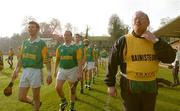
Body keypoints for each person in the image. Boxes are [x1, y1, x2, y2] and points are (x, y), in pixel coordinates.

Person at [104, 11, 176, 111]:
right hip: (129, 86)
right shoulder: (123, 41)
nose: (138, 20)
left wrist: (156, 41)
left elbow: (170, 58)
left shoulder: (156, 40)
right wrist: (110, 85)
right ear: (132, 23)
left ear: (148, 22)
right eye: (135, 18)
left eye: (141, 18)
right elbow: (112, 63)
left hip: (150, 86)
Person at [11, 21, 52, 111]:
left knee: (36, 96)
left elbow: (47, 60)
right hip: (25, 71)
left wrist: (49, 74)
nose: (30, 29)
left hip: (36, 71)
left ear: (37, 29)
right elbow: (21, 59)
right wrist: (16, 70)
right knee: (21, 97)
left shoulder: (41, 43)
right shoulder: (24, 43)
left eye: (33, 27)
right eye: (29, 27)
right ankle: (35, 103)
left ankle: (36, 105)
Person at [54, 31, 82, 111]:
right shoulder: (60, 48)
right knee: (57, 87)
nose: (66, 37)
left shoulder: (76, 47)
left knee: (72, 89)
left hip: (73, 70)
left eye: (68, 35)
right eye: (64, 35)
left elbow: (79, 61)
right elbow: (57, 60)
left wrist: (80, 72)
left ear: (71, 36)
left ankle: (72, 107)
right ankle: (63, 101)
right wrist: (55, 70)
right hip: (62, 70)